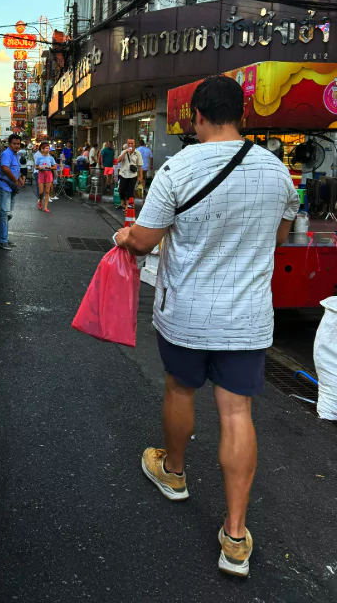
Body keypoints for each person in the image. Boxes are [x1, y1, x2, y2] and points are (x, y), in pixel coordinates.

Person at [114, 75, 300, 578]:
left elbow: (145, 241)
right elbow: (279, 238)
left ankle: (174, 474)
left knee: (179, 389)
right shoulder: (277, 172)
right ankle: (235, 537)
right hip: (246, 318)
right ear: (243, 115)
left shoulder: (178, 168)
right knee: (237, 412)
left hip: (187, 314)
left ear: (195, 116)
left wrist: (124, 234)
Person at [0, 134, 25, 251]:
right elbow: (5, 168)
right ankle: (2, 241)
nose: (17, 146)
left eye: (18, 144)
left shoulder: (16, 155)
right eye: (14, 144)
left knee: (7, 214)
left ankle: (4, 238)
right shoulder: (6, 153)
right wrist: (15, 180)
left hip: (11, 187)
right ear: (9, 144)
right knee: (5, 214)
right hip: (3, 187)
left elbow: (15, 169)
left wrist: (20, 177)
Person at [117, 138, 144, 212]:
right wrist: (125, 151)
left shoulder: (137, 153)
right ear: (127, 143)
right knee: (122, 190)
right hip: (123, 174)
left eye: (132, 143)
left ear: (134, 144)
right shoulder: (123, 152)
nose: (130, 145)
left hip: (132, 175)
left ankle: (127, 207)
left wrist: (140, 176)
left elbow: (140, 166)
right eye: (129, 143)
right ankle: (123, 202)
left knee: (130, 192)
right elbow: (118, 160)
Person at [35, 141, 57, 213]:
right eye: (46, 148)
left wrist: (50, 167)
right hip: (41, 174)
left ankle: (46, 207)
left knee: (47, 191)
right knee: (41, 192)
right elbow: (36, 166)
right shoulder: (39, 158)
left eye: (48, 148)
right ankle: (40, 201)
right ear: (42, 149)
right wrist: (40, 167)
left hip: (48, 174)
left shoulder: (51, 158)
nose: (48, 150)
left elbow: (55, 167)